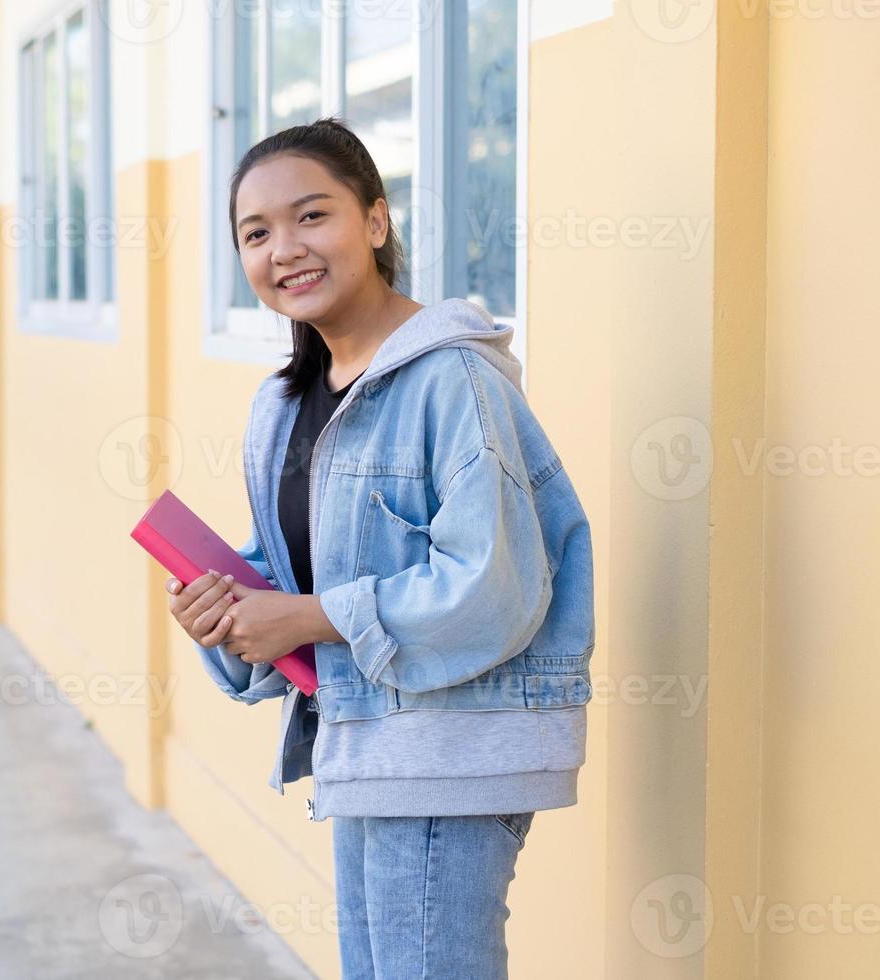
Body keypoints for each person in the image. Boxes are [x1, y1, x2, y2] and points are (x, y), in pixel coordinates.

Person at [166, 117, 595, 979]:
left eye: (310, 216)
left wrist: (309, 615)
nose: (284, 248)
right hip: (360, 740)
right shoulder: (281, 408)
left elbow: (493, 587)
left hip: (453, 748)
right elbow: (290, 582)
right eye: (256, 233)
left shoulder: (453, 380)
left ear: (374, 220)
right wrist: (225, 611)